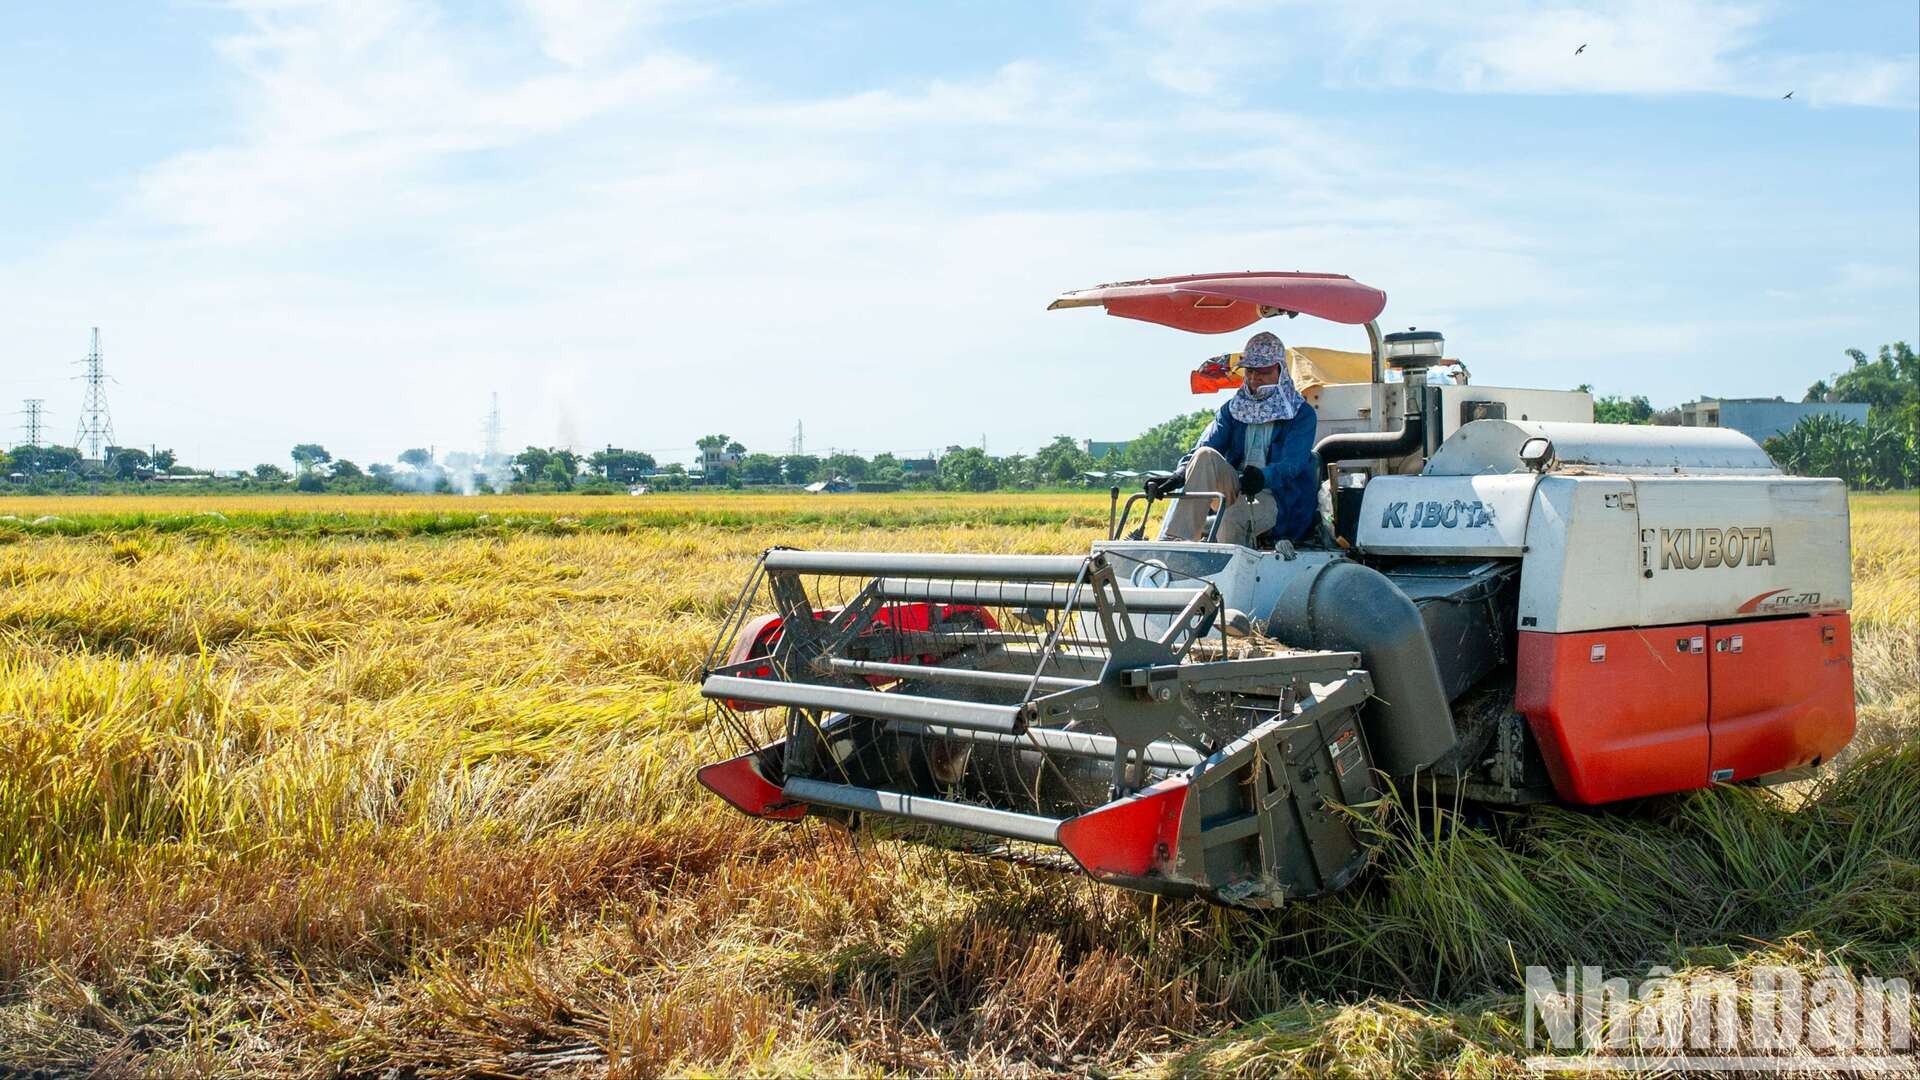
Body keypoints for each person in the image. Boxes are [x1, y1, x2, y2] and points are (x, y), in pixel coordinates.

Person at [1149, 330, 1318, 546]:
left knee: (1231, 517)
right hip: (1235, 486)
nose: (1255, 378)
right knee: (1205, 455)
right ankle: (1174, 544)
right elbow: (1206, 447)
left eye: (1263, 371)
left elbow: (1291, 465)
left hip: (1277, 496)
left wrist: (1262, 477)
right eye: (1250, 370)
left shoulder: (1300, 414)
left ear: (1280, 371)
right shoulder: (1233, 409)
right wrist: (1178, 475)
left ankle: (1224, 577)